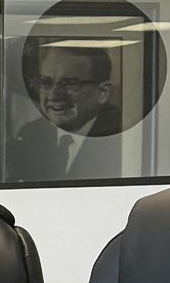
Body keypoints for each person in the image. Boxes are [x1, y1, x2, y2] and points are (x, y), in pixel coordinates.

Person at [9, 42, 124, 182]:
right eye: (46, 83)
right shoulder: (30, 134)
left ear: (102, 93)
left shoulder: (121, 139)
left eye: (69, 84)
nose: (53, 95)